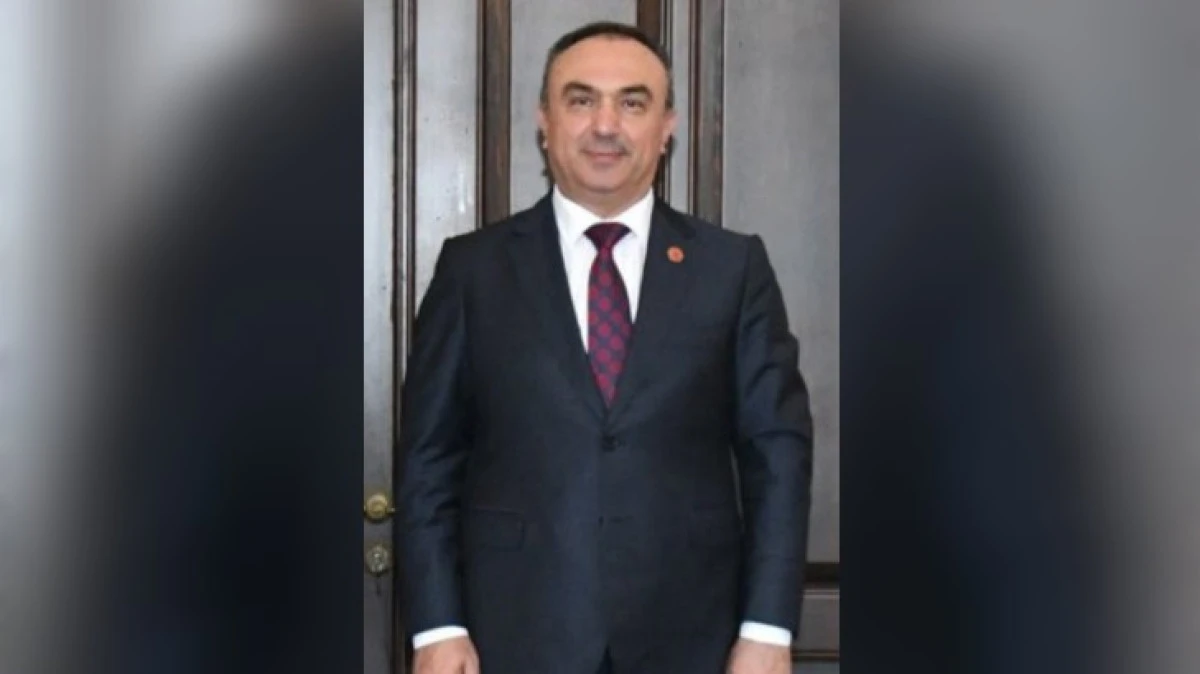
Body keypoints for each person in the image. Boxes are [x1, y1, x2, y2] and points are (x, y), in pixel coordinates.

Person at [397, 21, 813, 674]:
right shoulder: (472, 272)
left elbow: (777, 456)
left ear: (667, 126)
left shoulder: (732, 270)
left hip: (694, 641)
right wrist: (436, 629)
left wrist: (767, 630)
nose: (605, 125)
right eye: (581, 99)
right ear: (544, 120)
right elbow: (428, 462)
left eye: (633, 102)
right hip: (509, 640)